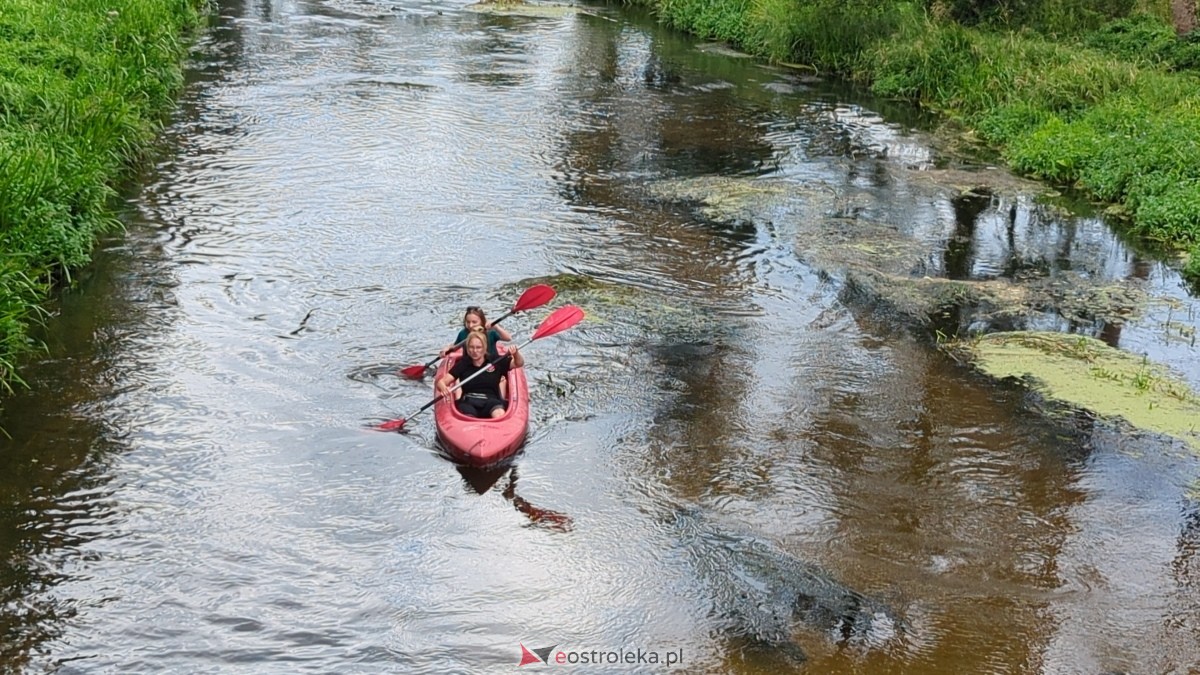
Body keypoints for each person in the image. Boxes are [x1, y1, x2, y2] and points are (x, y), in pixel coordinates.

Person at [436, 328, 523, 419]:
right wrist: (443, 388)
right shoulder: (463, 364)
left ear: (484, 348)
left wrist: (516, 354)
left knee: (499, 414)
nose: (475, 351)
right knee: (469, 418)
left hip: (491, 400)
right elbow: (441, 382)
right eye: (471, 347)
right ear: (467, 348)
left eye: (478, 347)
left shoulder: (495, 360)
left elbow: (519, 363)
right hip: (469, 401)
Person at [440, 306, 511, 360]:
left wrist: (496, 326)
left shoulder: (490, 332)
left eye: (474, 322)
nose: (470, 325)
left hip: (491, 363)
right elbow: (455, 346)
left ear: (482, 321)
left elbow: (508, 338)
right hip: (470, 364)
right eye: (468, 322)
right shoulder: (463, 333)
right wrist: (447, 348)